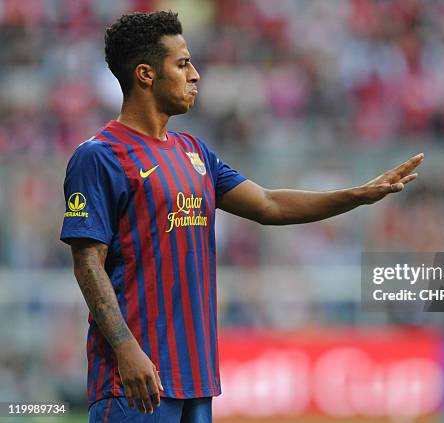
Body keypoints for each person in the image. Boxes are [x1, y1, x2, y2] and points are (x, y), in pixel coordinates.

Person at [60, 10, 424, 423]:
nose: (195, 74)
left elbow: (268, 204)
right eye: (182, 64)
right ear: (145, 74)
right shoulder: (100, 156)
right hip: (135, 381)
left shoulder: (193, 152)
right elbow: (88, 261)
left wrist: (356, 195)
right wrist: (126, 348)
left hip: (196, 378)